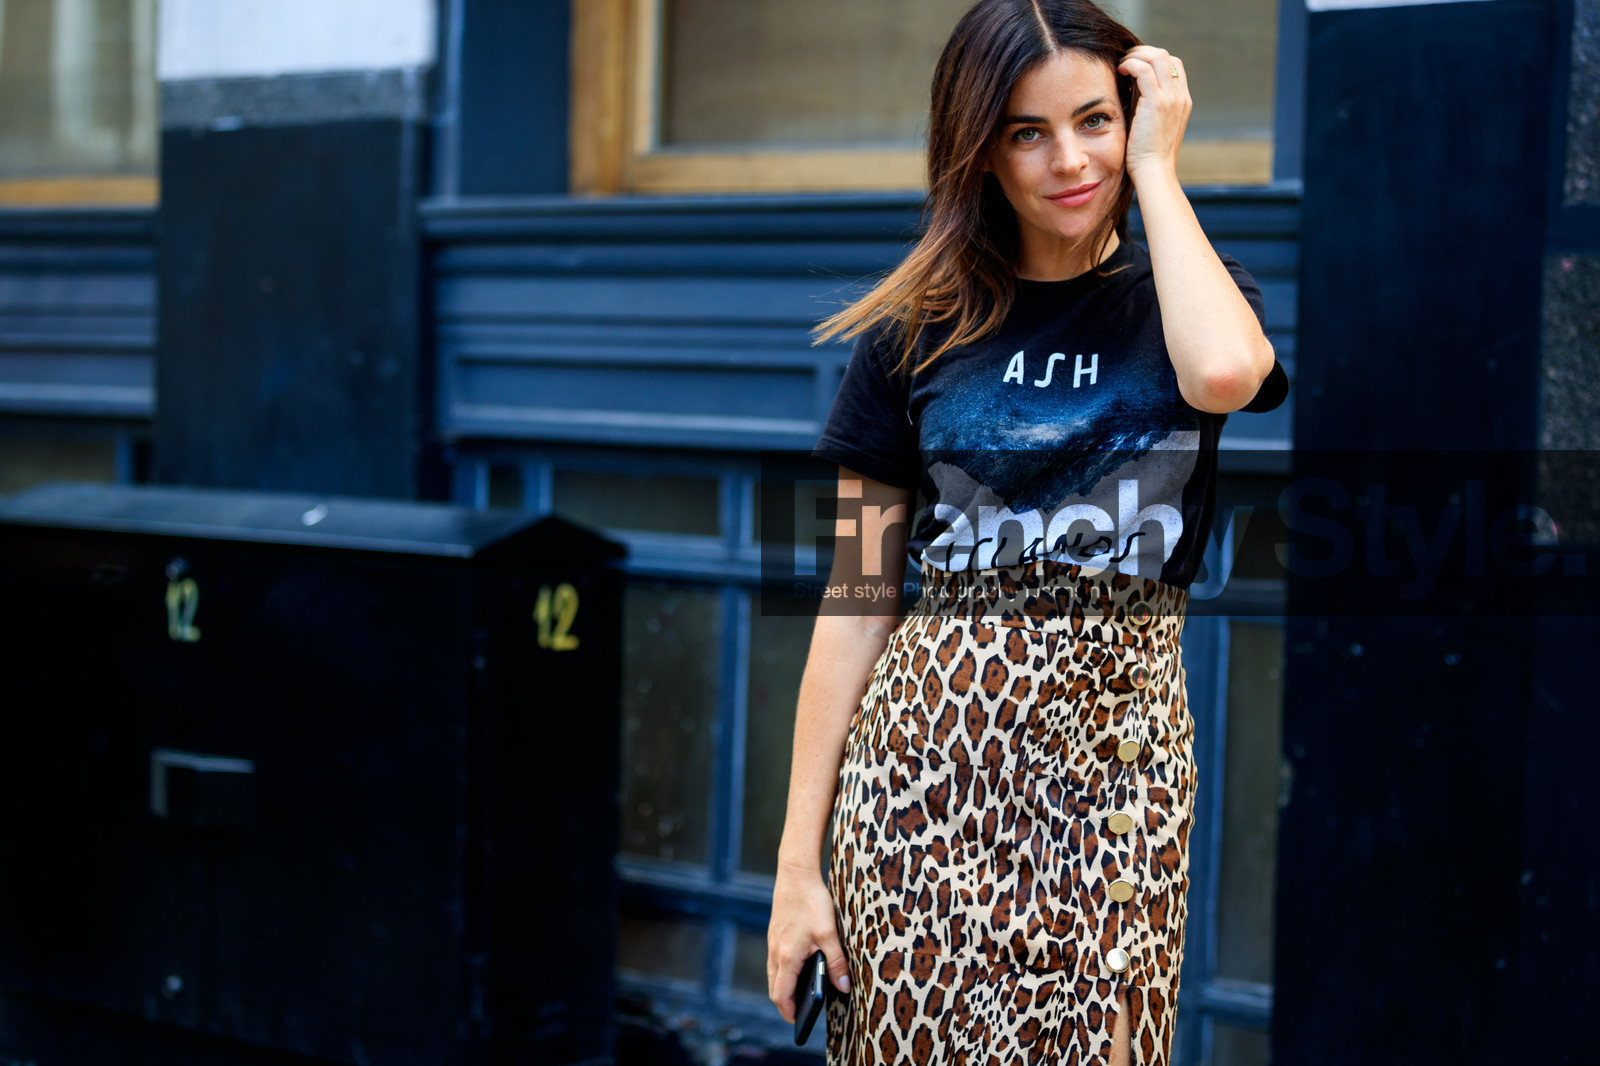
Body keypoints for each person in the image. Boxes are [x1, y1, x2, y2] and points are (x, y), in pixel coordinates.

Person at [765, 0, 1289, 1062]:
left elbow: (1227, 375)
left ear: (1133, 115)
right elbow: (858, 599)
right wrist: (796, 866)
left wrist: (1155, 171)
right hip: (921, 781)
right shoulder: (917, 333)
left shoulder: (1186, 300)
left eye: (1093, 120)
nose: (1067, 160)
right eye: (1025, 132)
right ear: (980, 153)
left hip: (1115, 787)